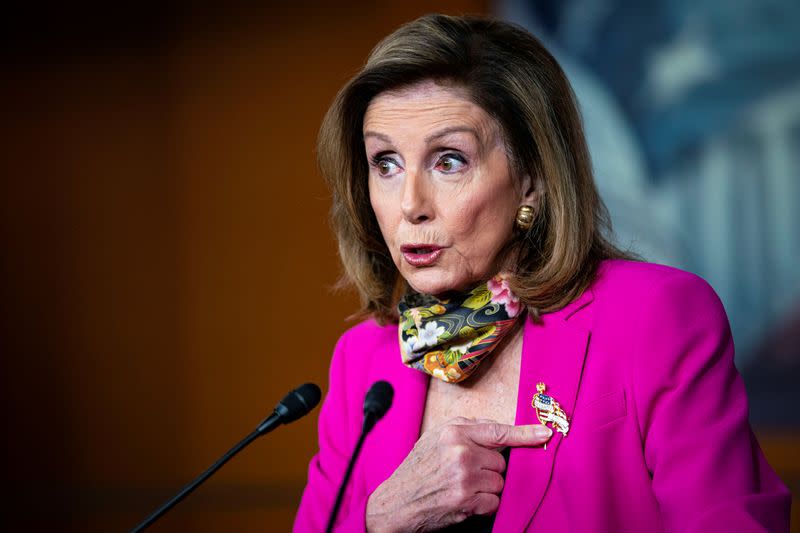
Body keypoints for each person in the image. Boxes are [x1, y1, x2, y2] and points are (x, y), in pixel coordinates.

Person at [293, 14, 791, 533]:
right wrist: (381, 520)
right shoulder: (364, 360)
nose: (410, 205)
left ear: (531, 179)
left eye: (449, 161)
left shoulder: (656, 315)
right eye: (387, 163)